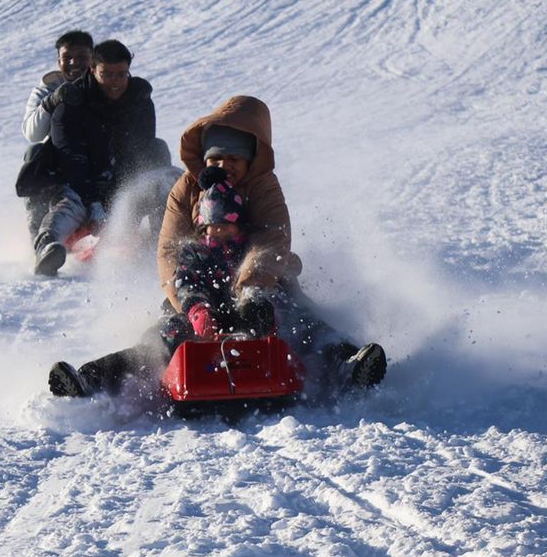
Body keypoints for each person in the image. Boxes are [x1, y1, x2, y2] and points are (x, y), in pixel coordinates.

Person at [47, 97, 387, 399]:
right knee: (161, 339)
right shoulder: (185, 189)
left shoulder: (264, 187)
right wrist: (192, 305)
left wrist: (253, 290)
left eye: (234, 158)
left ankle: (348, 365)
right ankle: (91, 380)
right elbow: (168, 251)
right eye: (217, 158)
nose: (225, 165)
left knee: (305, 324)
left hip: (265, 284)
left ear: (252, 157)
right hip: (197, 285)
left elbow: (274, 238)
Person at [26, 40, 163, 276]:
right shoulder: (71, 102)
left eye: (121, 74)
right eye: (107, 74)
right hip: (77, 181)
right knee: (69, 207)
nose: (115, 82)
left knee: (159, 164)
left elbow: (140, 152)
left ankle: (161, 243)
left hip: (119, 180)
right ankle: (48, 247)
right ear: (93, 69)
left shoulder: (138, 100)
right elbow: (71, 157)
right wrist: (94, 202)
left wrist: (117, 198)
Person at [18, 31, 95, 236]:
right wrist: (50, 102)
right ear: (58, 60)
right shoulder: (46, 89)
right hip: (59, 160)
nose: (73, 62)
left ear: (92, 58)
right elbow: (32, 133)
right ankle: (40, 235)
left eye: (81, 57)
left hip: (98, 155)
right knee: (34, 154)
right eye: (67, 57)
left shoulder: (104, 83)